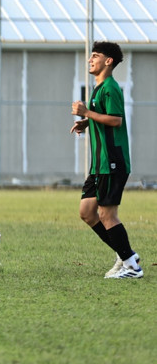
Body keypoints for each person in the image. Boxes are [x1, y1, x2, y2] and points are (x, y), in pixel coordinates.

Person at [70, 41, 142, 279]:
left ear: (108, 61)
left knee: (106, 214)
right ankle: (125, 255)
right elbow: (103, 117)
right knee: (87, 212)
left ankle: (132, 265)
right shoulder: (99, 88)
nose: (90, 60)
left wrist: (87, 113)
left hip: (112, 161)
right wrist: (87, 122)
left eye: (95, 56)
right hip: (100, 163)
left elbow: (116, 120)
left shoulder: (110, 87)